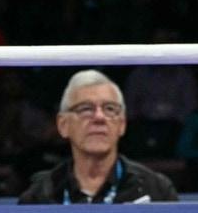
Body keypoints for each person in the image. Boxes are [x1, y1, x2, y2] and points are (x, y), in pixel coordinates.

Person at [18, 69, 178, 204]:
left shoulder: (157, 191)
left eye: (109, 109)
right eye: (86, 109)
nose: (99, 117)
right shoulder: (39, 196)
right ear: (63, 125)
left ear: (122, 124)